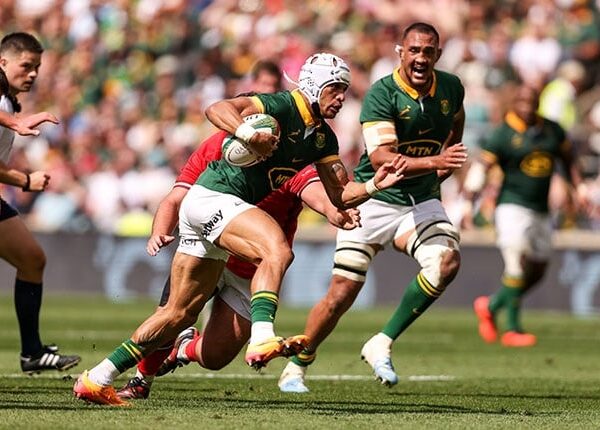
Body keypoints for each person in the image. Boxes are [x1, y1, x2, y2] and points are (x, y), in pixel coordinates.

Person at [73, 52, 407, 406]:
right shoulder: (280, 105)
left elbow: (340, 193)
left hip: (214, 209)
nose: (341, 98)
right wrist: (248, 131)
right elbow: (216, 109)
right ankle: (262, 335)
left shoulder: (322, 139)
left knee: (178, 315)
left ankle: (97, 378)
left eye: (343, 90)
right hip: (213, 197)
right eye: (336, 89)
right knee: (277, 250)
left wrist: (373, 186)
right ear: (315, 85)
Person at [278, 22, 468, 393]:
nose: (420, 58)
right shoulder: (383, 93)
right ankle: (298, 365)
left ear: (438, 56)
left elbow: (455, 122)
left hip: (421, 201)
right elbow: (382, 157)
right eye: (414, 50)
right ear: (401, 52)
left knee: (446, 261)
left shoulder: (451, 87)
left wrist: (441, 166)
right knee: (340, 295)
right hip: (375, 200)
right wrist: (437, 162)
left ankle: (382, 340)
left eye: (428, 52)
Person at [115, 130, 361, 399]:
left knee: (215, 358)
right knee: (170, 317)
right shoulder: (216, 146)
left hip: (252, 269)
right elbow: (176, 198)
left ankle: (184, 348)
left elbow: (319, 196)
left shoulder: (290, 160)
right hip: (208, 252)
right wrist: (158, 231)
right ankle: (140, 380)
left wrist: (335, 211)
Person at [462, 82, 590, 347]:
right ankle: (513, 329)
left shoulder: (552, 130)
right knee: (516, 264)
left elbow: (568, 159)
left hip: (541, 209)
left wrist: (579, 188)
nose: (527, 107)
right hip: (512, 206)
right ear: (514, 104)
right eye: (522, 102)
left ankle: (491, 305)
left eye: (531, 102)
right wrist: (468, 203)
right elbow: (481, 169)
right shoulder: (502, 134)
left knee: (539, 268)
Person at [0, 32, 80, 373]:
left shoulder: (7, 101)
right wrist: (24, 180)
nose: (32, 73)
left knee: (32, 259)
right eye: (25, 66)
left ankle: (32, 352)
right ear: (2, 63)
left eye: (37, 67)